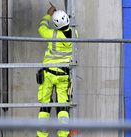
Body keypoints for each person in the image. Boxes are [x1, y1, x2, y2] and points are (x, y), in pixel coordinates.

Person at [37, 5, 77, 137]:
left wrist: (48, 14)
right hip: (63, 74)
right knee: (63, 104)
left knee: (45, 104)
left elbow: (41, 28)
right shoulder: (74, 34)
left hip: (48, 73)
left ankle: (42, 134)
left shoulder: (51, 34)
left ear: (55, 24)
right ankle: (63, 134)